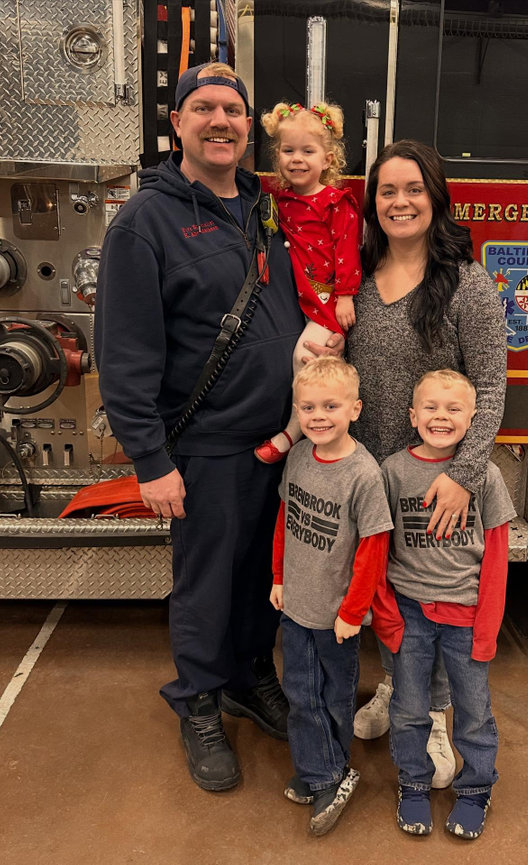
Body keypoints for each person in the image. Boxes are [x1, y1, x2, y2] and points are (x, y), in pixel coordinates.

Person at [94, 62, 310, 792]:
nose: (221, 121)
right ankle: (198, 700)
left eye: (234, 111)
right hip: (206, 446)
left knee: (261, 574)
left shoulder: (265, 206)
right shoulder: (144, 223)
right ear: (178, 123)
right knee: (206, 585)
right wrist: (151, 460)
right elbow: (124, 354)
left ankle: (248, 676)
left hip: (281, 442)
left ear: (249, 127)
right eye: (205, 108)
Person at [345, 140, 508, 784]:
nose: (400, 202)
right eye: (387, 191)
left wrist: (462, 477)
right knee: (389, 590)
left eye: (414, 189)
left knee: (433, 598)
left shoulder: (468, 284)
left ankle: (435, 715)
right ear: (373, 203)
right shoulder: (356, 280)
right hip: (373, 477)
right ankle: (397, 688)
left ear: (436, 199)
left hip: (436, 483)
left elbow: (490, 386)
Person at [382, 369, 515, 839]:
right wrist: (386, 613)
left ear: (473, 419)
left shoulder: (486, 476)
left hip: (466, 617)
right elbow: (378, 546)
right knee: (408, 708)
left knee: (474, 712)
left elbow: (497, 556)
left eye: (454, 409)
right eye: (431, 408)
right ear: (412, 416)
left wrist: (487, 627)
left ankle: (476, 790)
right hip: (409, 613)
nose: (441, 417)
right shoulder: (393, 471)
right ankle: (413, 783)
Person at [269, 357, 394, 835]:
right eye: (307, 408)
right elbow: (285, 520)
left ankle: (331, 770)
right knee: (301, 693)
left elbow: (373, 550)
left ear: (354, 409)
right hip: (296, 607)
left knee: (334, 696)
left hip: (337, 616)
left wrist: (353, 611)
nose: (318, 416)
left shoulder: (364, 474)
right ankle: (321, 772)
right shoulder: (299, 457)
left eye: (330, 406)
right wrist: (279, 578)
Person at [254, 101, 361, 464]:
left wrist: (345, 296)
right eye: (288, 151)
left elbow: (347, 249)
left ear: (327, 160)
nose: (296, 159)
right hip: (290, 296)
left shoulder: (336, 202)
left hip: (323, 298)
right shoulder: (278, 200)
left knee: (304, 356)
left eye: (307, 151)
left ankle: (293, 431)